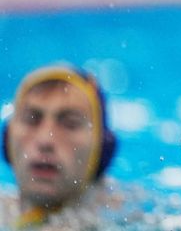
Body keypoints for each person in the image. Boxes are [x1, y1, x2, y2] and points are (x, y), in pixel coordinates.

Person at [1, 65, 117, 229]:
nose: (45, 140)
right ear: (7, 139)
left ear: (102, 150)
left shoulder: (136, 217)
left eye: (70, 123)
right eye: (31, 119)